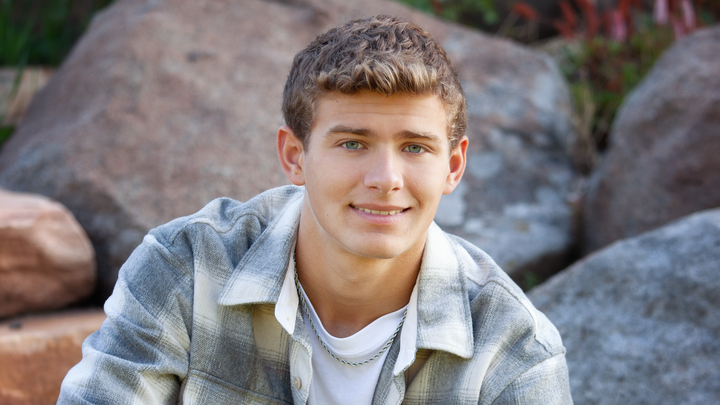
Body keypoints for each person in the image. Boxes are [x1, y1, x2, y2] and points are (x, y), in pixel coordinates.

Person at [58, 15, 572, 404]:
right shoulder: (186, 268)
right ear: (294, 156)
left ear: (453, 166)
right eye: (353, 143)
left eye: (415, 147)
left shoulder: (512, 346)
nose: (386, 179)